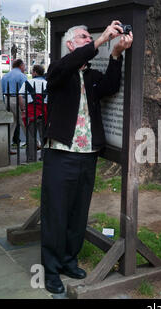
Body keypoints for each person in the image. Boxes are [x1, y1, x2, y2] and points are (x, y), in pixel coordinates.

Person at [41, 22, 133, 294]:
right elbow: (72, 63)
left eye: (88, 37)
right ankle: (51, 268)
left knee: (78, 212)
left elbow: (111, 87)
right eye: (83, 37)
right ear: (70, 44)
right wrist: (101, 39)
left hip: (87, 155)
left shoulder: (90, 76)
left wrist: (115, 54)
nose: (88, 39)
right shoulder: (59, 70)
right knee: (56, 212)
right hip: (61, 154)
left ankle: (69, 260)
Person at [18, 64, 48, 162]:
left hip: (31, 112)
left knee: (31, 136)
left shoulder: (28, 83)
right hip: (44, 112)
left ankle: (31, 158)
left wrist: (23, 110)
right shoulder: (47, 83)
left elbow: (20, 96)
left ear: (35, 72)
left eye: (32, 71)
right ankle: (44, 156)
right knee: (44, 136)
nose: (31, 73)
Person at [1, 59, 27, 153]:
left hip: (7, 99)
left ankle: (7, 147)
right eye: (24, 65)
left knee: (11, 124)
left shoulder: (5, 76)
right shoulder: (21, 76)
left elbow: (1, 90)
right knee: (24, 122)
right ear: (20, 66)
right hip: (17, 99)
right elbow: (26, 90)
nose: (25, 67)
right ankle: (34, 144)